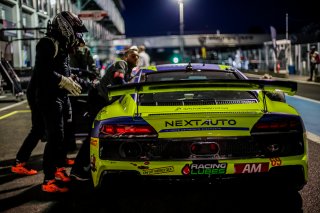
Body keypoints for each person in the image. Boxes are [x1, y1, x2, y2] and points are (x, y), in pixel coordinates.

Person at [30, 11, 87, 193]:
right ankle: (48, 180)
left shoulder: (60, 45)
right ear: (66, 27)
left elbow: (62, 68)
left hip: (61, 97)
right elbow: (42, 72)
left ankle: (59, 169)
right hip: (49, 98)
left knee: (63, 137)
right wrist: (63, 80)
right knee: (55, 138)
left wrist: (71, 78)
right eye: (76, 31)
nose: (78, 36)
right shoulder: (47, 43)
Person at [70, 48, 140, 181]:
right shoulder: (121, 64)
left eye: (137, 56)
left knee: (95, 136)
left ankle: (84, 168)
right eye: (133, 55)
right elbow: (118, 80)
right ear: (126, 57)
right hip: (98, 100)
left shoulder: (130, 71)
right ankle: (78, 170)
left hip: (101, 101)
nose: (136, 58)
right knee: (94, 135)